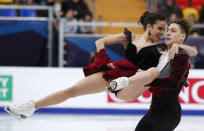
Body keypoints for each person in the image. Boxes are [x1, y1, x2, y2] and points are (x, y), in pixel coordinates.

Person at [4, 12, 197, 120]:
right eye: (160, 28)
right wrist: (106, 61)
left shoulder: (163, 47)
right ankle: (31, 106)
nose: (163, 32)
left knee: (152, 72)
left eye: (166, 30)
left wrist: (180, 44)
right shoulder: (127, 37)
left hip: (135, 83)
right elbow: (99, 42)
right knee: (72, 90)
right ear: (148, 27)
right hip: (114, 74)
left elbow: (193, 52)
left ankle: (123, 82)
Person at [109, 18, 195, 131]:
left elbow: (173, 82)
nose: (168, 33)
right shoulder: (161, 53)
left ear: (182, 36)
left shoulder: (182, 57)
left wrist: (147, 81)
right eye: (167, 30)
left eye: (173, 31)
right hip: (153, 111)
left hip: (168, 114)